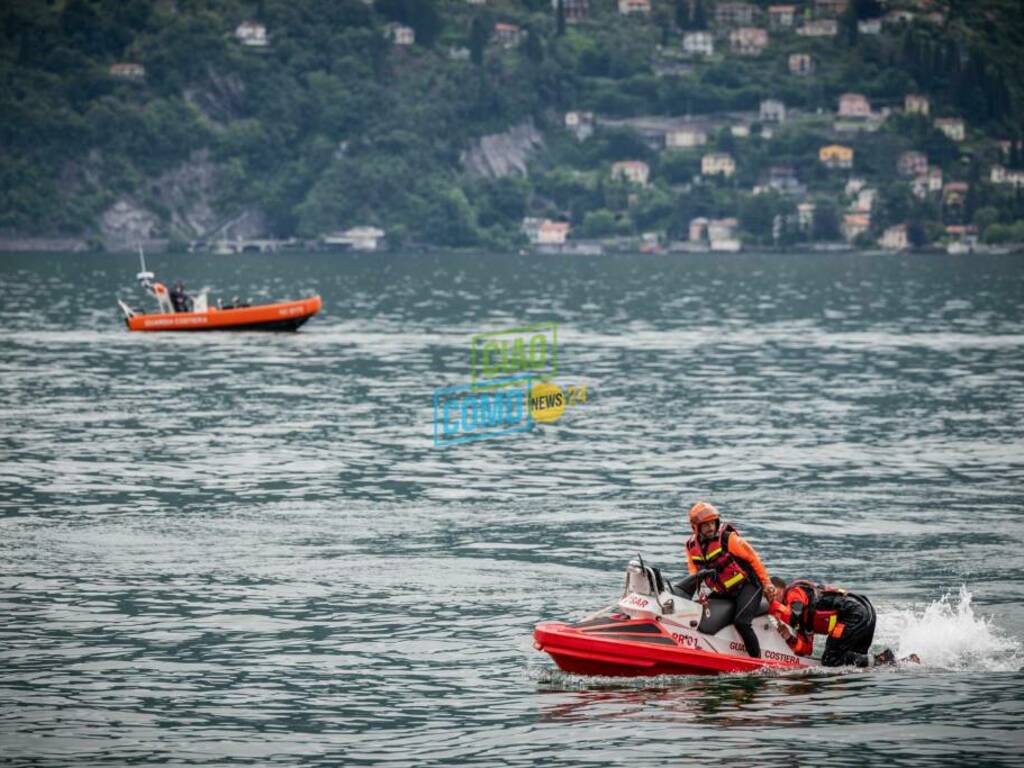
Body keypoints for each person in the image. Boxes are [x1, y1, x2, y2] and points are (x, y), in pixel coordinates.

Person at [683, 501, 777, 658]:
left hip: (748, 586)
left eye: (713, 523)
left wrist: (767, 583)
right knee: (701, 619)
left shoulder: (729, 539)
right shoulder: (691, 546)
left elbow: (754, 559)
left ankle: (757, 662)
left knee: (742, 622)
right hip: (723, 591)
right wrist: (700, 596)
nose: (711, 528)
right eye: (706, 525)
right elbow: (694, 573)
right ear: (695, 527)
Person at [768, 577, 915, 667]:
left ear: (780, 589)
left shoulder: (793, 591)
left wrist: (772, 607)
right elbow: (806, 649)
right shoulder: (804, 620)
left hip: (854, 613)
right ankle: (901, 662)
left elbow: (796, 613)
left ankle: (883, 660)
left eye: (772, 594)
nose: (770, 598)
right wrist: (788, 636)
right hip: (862, 611)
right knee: (857, 663)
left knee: (830, 659)